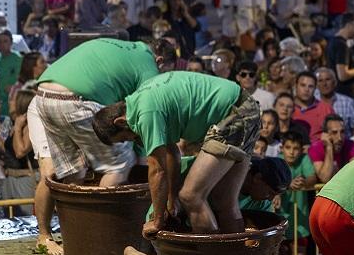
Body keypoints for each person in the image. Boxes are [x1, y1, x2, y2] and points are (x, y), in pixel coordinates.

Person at [28, 38, 175, 255]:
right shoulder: (148, 63)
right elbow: (147, 112)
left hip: (44, 96)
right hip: (76, 100)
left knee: (70, 174)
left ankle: (55, 237)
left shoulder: (125, 48)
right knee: (118, 165)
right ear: (160, 60)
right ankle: (97, 242)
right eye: (165, 72)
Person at [93, 71, 261, 236]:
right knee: (224, 200)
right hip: (244, 107)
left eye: (124, 138)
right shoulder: (142, 100)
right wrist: (171, 199)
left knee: (191, 195)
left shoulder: (145, 114)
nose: (130, 140)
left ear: (121, 121)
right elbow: (172, 153)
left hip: (233, 114)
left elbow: (157, 170)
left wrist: (157, 221)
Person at [123, 156, 292, 255]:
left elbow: (257, 233)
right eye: (270, 192)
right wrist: (169, 201)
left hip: (212, 237)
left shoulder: (262, 203)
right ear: (257, 178)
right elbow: (175, 165)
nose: (270, 198)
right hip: (171, 219)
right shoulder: (221, 169)